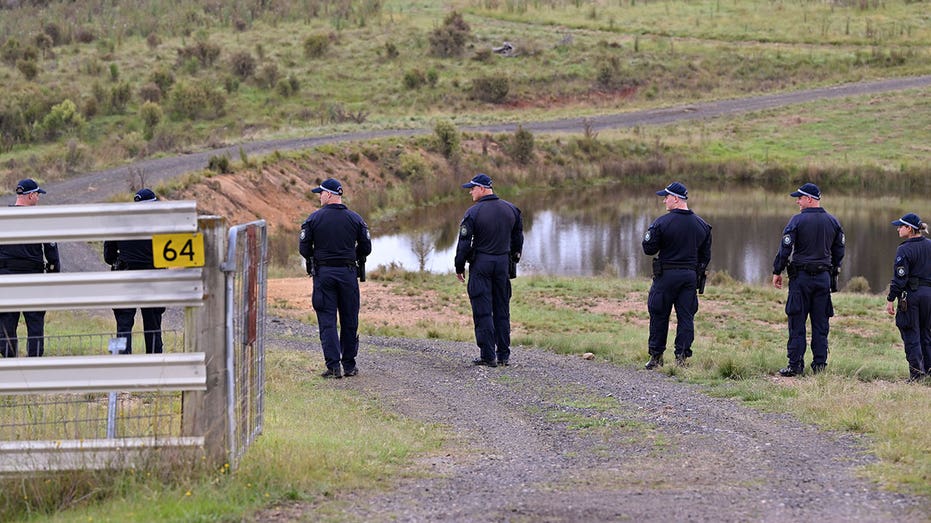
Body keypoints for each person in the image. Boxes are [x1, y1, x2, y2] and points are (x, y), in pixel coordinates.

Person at [299, 178, 371, 379]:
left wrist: (320, 257)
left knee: (327, 320)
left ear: (329, 194)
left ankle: (333, 367)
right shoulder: (356, 219)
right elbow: (366, 248)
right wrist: (350, 257)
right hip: (348, 274)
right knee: (349, 319)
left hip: (324, 275)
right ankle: (349, 365)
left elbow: (304, 249)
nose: (319, 197)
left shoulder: (313, 219)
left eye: (320, 193)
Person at [772, 182, 845, 377]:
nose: (797, 201)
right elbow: (839, 251)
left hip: (801, 279)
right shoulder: (833, 222)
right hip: (823, 279)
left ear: (810, 199)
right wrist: (833, 270)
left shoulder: (796, 221)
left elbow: (785, 248)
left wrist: (777, 270)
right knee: (821, 324)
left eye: (800, 198)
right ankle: (819, 366)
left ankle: (795, 365)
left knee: (797, 321)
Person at [455, 173, 524, 367]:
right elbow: (518, 240)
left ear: (483, 189)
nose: (470, 192)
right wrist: (513, 260)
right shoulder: (511, 210)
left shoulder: (473, 213)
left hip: (481, 265)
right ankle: (503, 355)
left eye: (473, 188)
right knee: (502, 309)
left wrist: (459, 266)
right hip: (502, 264)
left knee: (483, 310)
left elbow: (464, 244)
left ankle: (488, 355)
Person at [641, 182, 712, 369]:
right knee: (686, 317)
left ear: (676, 199)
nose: (664, 200)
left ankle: (656, 357)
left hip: (666, 276)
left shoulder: (661, 223)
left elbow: (648, 249)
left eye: (666, 197)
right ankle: (681, 357)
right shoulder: (702, 225)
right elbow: (705, 257)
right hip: (689, 277)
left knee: (659, 314)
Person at [0, 178, 61, 357]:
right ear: (31, 195)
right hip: (32, 279)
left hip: (6, 278)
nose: (39, 198)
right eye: (38, 195)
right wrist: (52, 277)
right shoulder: (40, 220)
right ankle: (34, 362)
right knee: (35, 323)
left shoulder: (3, 218)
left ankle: (10, 362)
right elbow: (52, 254)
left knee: (6, 322)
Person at [103, 188, 165, 354]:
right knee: (153, 325)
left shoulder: (119, 224)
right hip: (153, 278)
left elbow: (108, 256)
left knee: (123, 323)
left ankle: (119, 361)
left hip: (124, 276)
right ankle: (156, 362)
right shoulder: (161, 225)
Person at [885, 213, 931, 381]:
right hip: (929, 296)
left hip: (912, 296)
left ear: (910, 229)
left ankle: (917, 375)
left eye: (901, 226)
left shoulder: (904, 249)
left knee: (911, 334)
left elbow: (900, 278)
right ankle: (929, 371)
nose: (898, 229)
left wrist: (891, 298)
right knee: (927, 334)